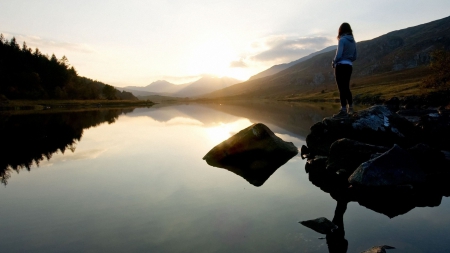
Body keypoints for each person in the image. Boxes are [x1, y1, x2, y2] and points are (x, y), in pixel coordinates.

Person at [332, 23, 357, 118]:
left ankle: (343, 110)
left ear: (340, 30)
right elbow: (355, 56)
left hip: (340, 66)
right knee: (346, 87)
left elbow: (338, 55)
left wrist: (334, 62)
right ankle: (350, 107)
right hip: (349, 66)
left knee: (341, 88)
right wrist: (348, 59)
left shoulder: (342, 40)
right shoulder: (353, 41)